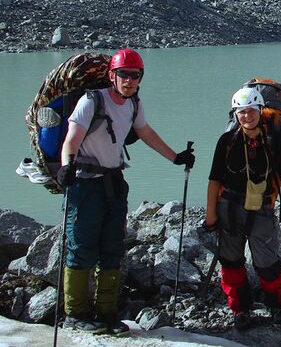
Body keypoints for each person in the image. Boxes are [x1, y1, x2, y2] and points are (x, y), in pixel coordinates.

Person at [58, 48, 195, 335]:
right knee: (81, 247)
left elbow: (146, 133)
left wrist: (175, 157)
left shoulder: (133, 105)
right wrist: (66, 167)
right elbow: (71, 141)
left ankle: (106, 313)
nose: (130, 80)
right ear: (112, 75)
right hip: (85, 184)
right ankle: (76, 314)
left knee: (111, 248)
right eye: (124, 74)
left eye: (135, 75)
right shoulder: (91, 101)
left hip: (114, 184)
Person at [204, 87, 281, 330]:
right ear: (235, 115)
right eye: (241, 112)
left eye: (251, 111)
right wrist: (210, 213)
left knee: (267, 262)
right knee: (230, 261)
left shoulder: (273, 140)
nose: (247, 116)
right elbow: (214, 178)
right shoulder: (227, 141)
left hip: (262, 207)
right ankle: (240, 310)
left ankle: (278, 307)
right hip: (229, 207)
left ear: (260, 111)